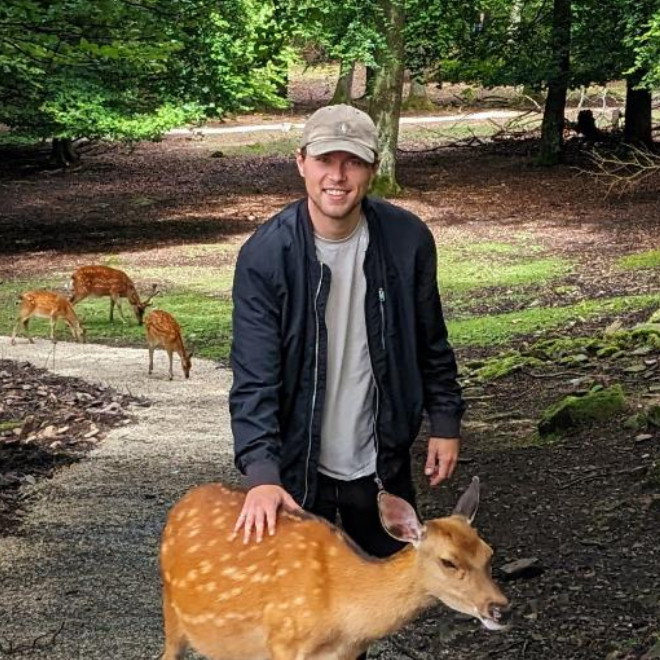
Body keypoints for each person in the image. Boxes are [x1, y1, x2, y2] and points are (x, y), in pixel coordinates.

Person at [229, 103, 465, 560]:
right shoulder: (266, 255)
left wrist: (444, 420)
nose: (337, 176)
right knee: (302, 599)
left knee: (389, 590)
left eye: (353, 161)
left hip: (380, 465)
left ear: (373, 168)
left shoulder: (407, 240)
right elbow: (254, 375)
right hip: (298, 470)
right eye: (325, 160)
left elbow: (430, 340)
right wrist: (261, 473)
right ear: (301, 162)